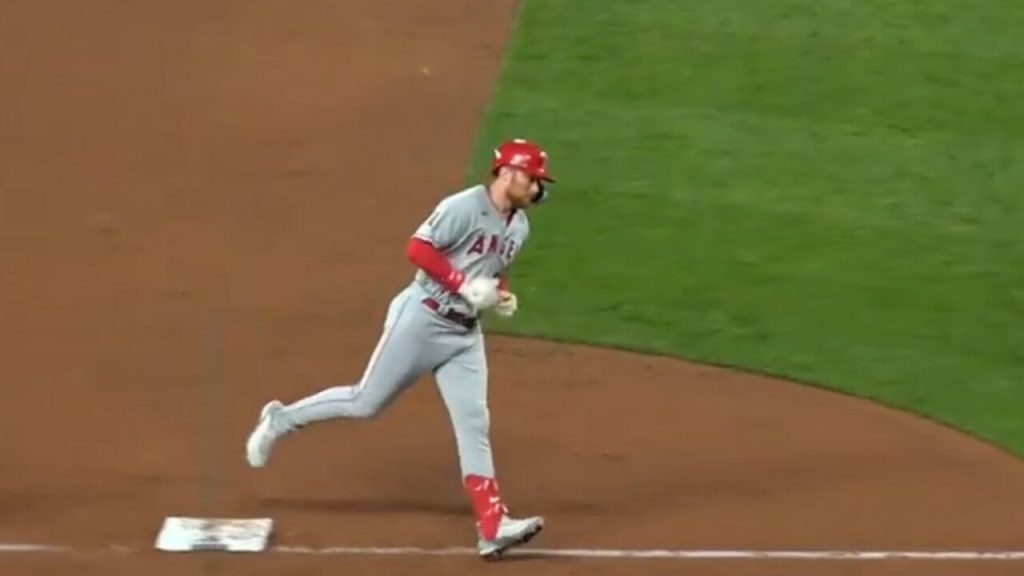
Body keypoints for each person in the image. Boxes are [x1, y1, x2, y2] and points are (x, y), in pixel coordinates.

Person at [244, 138, 556, 559]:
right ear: (508, 173)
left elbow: (495, 270)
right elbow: (417, 248)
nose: (537, 189)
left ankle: (492, 525)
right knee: (364, 402)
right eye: (533, 179)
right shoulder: (463, 206)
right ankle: (281, 420)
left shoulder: (519, 226)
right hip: (422, 319)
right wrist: (464, 285)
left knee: (473, 422)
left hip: (465, 336)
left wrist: (501, 294)